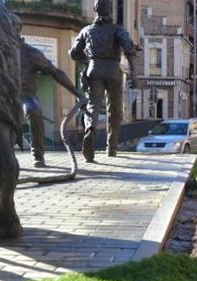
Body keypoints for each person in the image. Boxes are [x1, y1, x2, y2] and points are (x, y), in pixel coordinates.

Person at [0, 15, 79, 168]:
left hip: (26, 95)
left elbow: (55, 72)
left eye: (9, 27)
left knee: (34, 109)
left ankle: (38, 154)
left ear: (17, 30)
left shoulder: (31, 53)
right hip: (3, 96)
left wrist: (77, 93)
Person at [70, 0, 137, 163]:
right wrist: (132, 68)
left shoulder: (86, 30)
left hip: (94, 69)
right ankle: (112, 148)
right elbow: (129, 47)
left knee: (92, 106)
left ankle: (90, 131)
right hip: (113, 70)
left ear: (95, 10)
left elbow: (73, 53)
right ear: (110, 11)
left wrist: (88, 60)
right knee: (114, 110)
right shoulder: (117, 30)